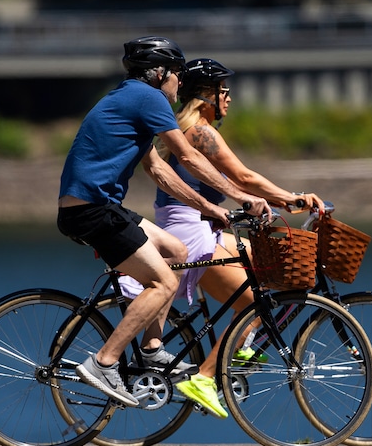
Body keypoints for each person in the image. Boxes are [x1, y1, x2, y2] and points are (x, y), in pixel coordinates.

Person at [56, 36, 270, 412]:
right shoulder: (148, 98)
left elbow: (159, 170)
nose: (180, 85)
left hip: (96, 206)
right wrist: (242, 197)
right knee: (165, 280)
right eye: (178, 77)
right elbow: (186, 157)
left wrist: (210, 206)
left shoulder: (130, 98)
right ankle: (104, 363)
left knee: (176, 250)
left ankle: (152, 349)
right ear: (161, 75)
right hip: (92, 210)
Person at [124, 57, 324, 418]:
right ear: (206, 95)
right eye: (224, 91)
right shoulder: (200, 132)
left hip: (197, 225)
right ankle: (204, 377)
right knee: (252, 304)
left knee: (267, 271)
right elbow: (243, 179)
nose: (229, 98)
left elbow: (237, 183)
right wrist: (290, 197)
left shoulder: (194, 130)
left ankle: (243, 343)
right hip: (190, 229)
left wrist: (278, 202)